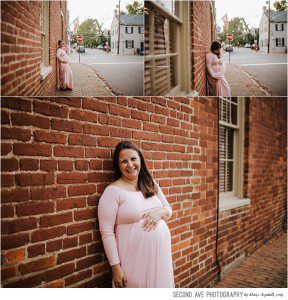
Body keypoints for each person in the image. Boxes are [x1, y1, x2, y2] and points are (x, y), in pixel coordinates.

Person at [98, 141, 174, 288]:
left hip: (159, 260)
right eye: (124, 161)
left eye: (133, 159)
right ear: (118, 165)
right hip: (134, 261)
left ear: (140, 160)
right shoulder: (112, 192)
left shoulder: (149, 182)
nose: (130, 165)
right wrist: (116, 268)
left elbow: (168, 210)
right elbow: (106, 233)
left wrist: (159, 212)